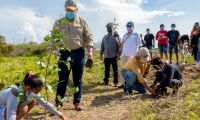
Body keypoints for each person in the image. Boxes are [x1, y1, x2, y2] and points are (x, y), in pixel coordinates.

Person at [50, 0, 94, 111]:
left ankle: (77, 102)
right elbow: (53, 38)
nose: (70, 12)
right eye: (68, 10)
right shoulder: (59, 23)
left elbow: (89, 37)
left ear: (77, 10)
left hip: (79, 53)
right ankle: (59, 103)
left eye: (72, 10)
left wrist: (90, 54)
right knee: (62, 79)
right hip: (64, 54)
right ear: (65, 9)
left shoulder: (82, 22)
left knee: (77, 80)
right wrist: (55, 52)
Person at [0, 72, 68, 120]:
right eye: (36, 92)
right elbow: (11, 115)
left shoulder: (28, 90)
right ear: (28, 88)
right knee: (24, 108)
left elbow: (45, 103)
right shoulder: (14, 93)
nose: (37, 94)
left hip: (7, 109)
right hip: (1, 110)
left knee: (33, 101)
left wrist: (62, 116)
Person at [119, 21, 142, 88]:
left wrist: (139, 55)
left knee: (132, 71)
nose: (128, 27)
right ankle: (122, 84)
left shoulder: (136, 34)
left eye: (130, 26)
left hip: (132, 56)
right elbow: (122, 45)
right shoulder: (124, 35)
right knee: (122, 70)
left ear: (133, 27)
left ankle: (131, 85)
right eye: (127, 26)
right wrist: (120, 53)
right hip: (124, 55)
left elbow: (139, 46)